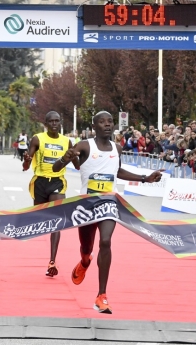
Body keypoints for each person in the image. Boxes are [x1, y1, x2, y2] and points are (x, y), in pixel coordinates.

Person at [53, 111, 163, 314]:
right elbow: (55, 168)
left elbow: (117, 172)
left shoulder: (117, 148)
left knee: (105, 241)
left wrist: (145, 178)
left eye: (110, 121)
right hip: (86, 204)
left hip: (109, 202)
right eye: (102, 122)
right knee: (86, 247)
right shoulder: (85, 146)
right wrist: (64, 159)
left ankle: (101, 295)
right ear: (94, 126)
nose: (107, 125)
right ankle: (85, 261)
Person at [22, 111, 77, 277]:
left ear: (60, 123)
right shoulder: (38, 139)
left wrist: (73, 155)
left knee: (57, 220)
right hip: (39, 182)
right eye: (51, 121)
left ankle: (52, 261)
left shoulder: (67, 141)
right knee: (40, 220)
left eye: (57, 121)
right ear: (46, 123)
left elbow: (78, 165)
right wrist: (26, 160)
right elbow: (25, 166)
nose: (54, 124)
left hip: (57, 182)